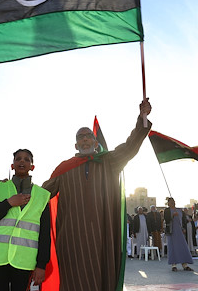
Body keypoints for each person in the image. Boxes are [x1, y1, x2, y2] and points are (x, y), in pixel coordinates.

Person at [41, 99, 152, 291]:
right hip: (71, 237)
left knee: (100, 276)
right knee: (73, 280)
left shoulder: (109, 162)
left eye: (88, 136)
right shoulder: (64, 169)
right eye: (80, 137)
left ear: (95, 142)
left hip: (101, 235)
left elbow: (130, 146)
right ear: (76, 145)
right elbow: (40, 194)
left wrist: (142, 118)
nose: (85, 139)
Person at [0, 149, 50, 291]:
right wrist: (8, 203)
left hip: (23, 260)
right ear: (12, 165)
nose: (22, 161)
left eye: (26, 159)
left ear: (32, 167)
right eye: (18, 159)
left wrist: (41, 265)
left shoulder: (42, 195)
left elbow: (45, 234)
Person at [164, 197, 194, 271]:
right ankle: (173, 265)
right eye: (171, 202)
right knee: (172, 248)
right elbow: (166, 219)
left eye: (173, 201)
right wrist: (172, 216)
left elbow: (183, 220)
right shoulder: (167, 210)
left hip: (180, 231)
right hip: (171, 231)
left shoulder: (180, 210)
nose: (172, 203)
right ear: (168, 203)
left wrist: (184, 227)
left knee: (182, 247)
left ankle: (184, 265)